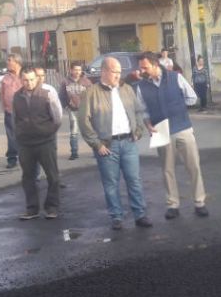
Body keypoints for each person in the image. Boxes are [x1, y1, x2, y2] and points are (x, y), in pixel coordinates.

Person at [77, 57, 153, 230]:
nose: (118, 75)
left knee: (134, 180)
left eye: (120, 72)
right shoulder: (91, 92)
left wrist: (138, 131)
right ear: (104, 71)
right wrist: (96, 144)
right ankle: (116, 217)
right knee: (111, 183)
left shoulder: (126, 89)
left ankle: (140, 215)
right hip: (107, 146)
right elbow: (84, 121)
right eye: (114, 72)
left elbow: (138, 111)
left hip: (128, 142)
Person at [131, 52, 209, 219]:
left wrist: (178, 109)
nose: (141, 70)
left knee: (193, 166)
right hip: (161, 132)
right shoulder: (142, 86)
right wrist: (148, 124)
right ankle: (173, 204)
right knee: (167, 170)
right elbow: (143, 110)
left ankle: (199, 202)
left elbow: (192, 98)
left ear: (155, 64)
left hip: (183, 128)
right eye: (140, 67)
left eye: (144, 67)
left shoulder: (175, 78)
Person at [12, 66, 63, 220]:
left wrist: (48, 131)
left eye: (32, 79)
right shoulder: (16, 96)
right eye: (25, 80)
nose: (29, 83)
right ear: (21, 80)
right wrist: (19, 134)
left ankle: (52, 207)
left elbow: (57, 116)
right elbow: (15, 119)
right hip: (25, 144)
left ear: (37, 78)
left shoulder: (47, 93)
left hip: (45, 142)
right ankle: (32, 209)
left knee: (52, 176)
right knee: (28, 177)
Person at [58, 62, 93, 160]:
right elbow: (62, 95)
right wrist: (65, 106)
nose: (77, 72)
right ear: (71, 70)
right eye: (75, 70)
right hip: (72, 110)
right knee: (74, 131)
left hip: (85, 110)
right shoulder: (65, 82)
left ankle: (96, 150)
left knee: (90, 131)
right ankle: (74, 152)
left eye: (79, 70)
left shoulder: (86, 82)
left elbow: (92, 95)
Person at [0, 53, 24, 169]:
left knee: (25, 134)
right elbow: (2, 94)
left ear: (17, 62)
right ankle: (12, 158)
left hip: (25, 112)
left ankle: (27, 157)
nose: (7, 62)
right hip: (9, 112)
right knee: (11, 136)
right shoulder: (6, 78)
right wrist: (4, 107)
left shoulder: (24, 76)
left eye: (9, 60)